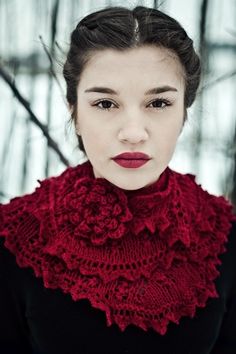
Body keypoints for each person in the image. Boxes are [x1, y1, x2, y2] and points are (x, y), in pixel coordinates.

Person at [0, 5, 235, 354]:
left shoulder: (223, 235)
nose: (133, 133)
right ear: (74, 112)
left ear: (184, 112)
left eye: (157, 103)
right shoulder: (15, 237)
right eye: (106, 104)